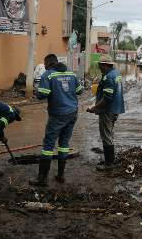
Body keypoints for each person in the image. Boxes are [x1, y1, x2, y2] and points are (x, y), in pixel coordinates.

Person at [30, 54, 83, 187]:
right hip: (72, 113)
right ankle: (60, 175)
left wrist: (35, 92)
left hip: (58, 114)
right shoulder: (71, 73)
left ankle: (42, 179)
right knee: (64, 143)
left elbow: (43, 93)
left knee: (48, 146)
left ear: (47, 63)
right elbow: (80, 91)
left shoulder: (48, 75)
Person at [87, 55, 125, 171]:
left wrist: (94, 107)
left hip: (108, 110)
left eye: (100, 65)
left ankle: (109, 164)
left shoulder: (108, 77)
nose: (99, 67)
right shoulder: (116, 73)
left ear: (105, 65)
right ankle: (110, 160)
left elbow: (107, 98)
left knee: (106, 136)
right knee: (109, 134)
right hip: (116, 108)